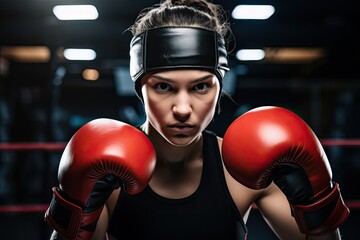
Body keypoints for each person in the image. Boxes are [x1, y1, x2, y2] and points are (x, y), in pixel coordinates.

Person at [44, 0, 349, 239]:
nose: (182, 108)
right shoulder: (107, 176)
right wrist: (76, 211)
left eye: (201, 86)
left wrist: (316, 198)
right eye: (163, 86)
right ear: (140, 89)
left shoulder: (239, 171)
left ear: (220, 87)